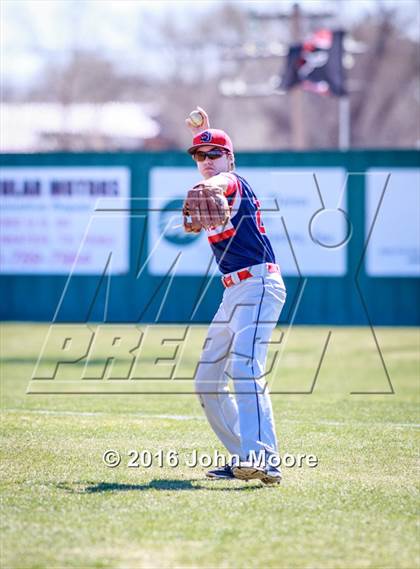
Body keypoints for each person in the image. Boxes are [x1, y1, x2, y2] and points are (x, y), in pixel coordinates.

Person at [184, 108, 287, 484]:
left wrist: (209, 186)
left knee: (245, 368)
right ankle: (244, 457)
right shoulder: (208, 189)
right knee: (207, 380)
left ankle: (265, 460)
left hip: (259, 284)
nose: (207, 161)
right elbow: (196, 219)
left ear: (229, 158)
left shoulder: (231, 182)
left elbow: (221, 184)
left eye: (214, 154)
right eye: (200, 156)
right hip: (233, 291)